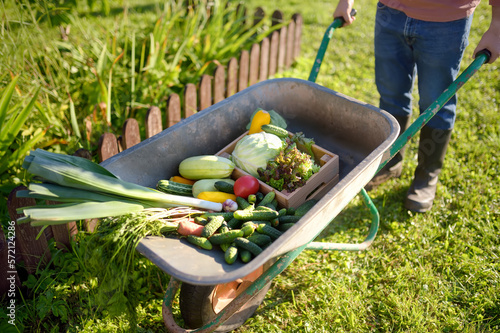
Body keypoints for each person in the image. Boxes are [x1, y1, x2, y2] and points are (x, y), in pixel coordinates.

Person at [334, 0, 500, 212]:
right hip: (390, 12)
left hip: (447, 19)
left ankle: (426, 176)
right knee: (391, 94)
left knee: (437, 102)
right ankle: (391, 161)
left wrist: (497, 26)